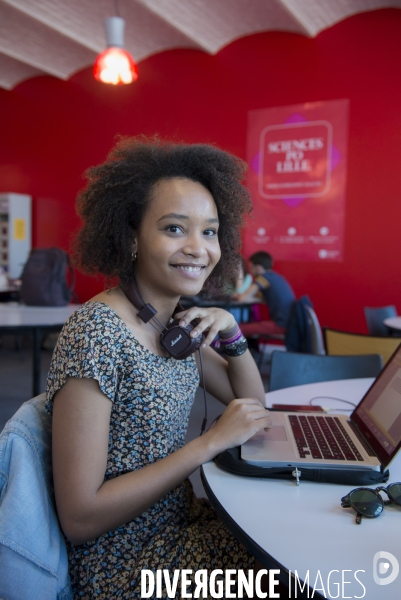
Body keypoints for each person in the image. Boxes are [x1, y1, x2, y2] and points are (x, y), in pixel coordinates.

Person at [45, 136, 273, 599]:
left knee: (287, 544)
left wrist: (230, 333)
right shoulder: (98, 334)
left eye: (209, 232)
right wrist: (208, 444)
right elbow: (80, 518)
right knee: (292, 578)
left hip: (180, 525)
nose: (198, 248)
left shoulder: (172, 326)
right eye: (174, 229)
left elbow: (251, 407)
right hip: (128, 565)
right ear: (131, 237)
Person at [236, 251, 295, 338]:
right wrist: (260, 299)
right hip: (289, 323)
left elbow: (242, 299)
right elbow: (259, 298)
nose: (251, 271)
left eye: (251, 267)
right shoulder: (277, 277)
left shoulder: (263, 278)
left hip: (280, 325)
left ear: (258, 268)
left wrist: (256, 299)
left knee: (237, 328)